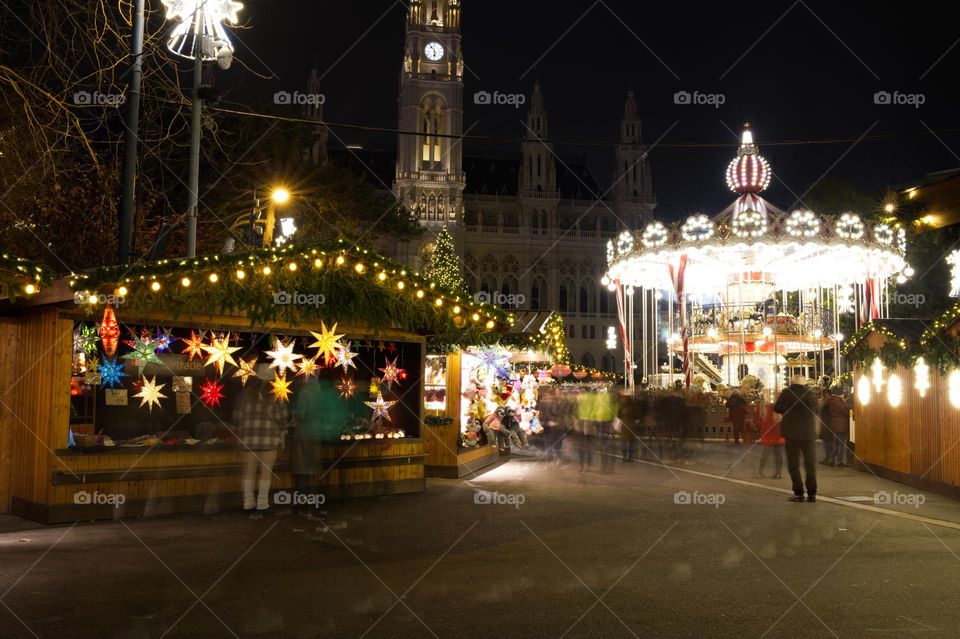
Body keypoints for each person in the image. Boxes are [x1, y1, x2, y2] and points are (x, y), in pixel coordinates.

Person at [291, 370, 348, 518]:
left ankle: (304, 506)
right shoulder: (320, 393)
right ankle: (314, 505)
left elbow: (302, 414)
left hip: (304, 434)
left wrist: (294, 414)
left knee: (302, 471)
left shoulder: (304, 393)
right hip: (316, 434)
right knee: (311, 471)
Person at [235, 365, 291, 514]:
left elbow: (238, 417)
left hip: (248, 440)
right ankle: (262, 503)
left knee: (249, 470)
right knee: (266, 472)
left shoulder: (245, 394)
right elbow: (283, 417)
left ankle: (248, 503)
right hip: (269, 439)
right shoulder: (277, 395)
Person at [774, 375, 820, 502]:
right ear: (804, 382)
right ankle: (812, 493)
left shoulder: (786, 393)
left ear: (792, 382)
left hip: (791, 433)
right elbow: (817, 411)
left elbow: (777, 408)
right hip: (808, 434)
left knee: (793, 464)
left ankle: (798, 492)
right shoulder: (811, 395)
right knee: (810, 464)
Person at [822, 386, 851, 466]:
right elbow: (845, 411)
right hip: (841, 425)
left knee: (835, 443)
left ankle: (832, 460)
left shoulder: (831, 401)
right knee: (841, 444)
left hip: (834, 424)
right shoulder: (839, 401)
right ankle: (839, 461)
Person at [758, 403, 784, 479]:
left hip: (771, 432)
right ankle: (777, 472)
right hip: (774, 432)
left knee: (770, 453)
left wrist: (763, 426)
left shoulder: (764, 406)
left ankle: (762, 471)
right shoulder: (780, 406)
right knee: (776, 453)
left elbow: (759, 419)